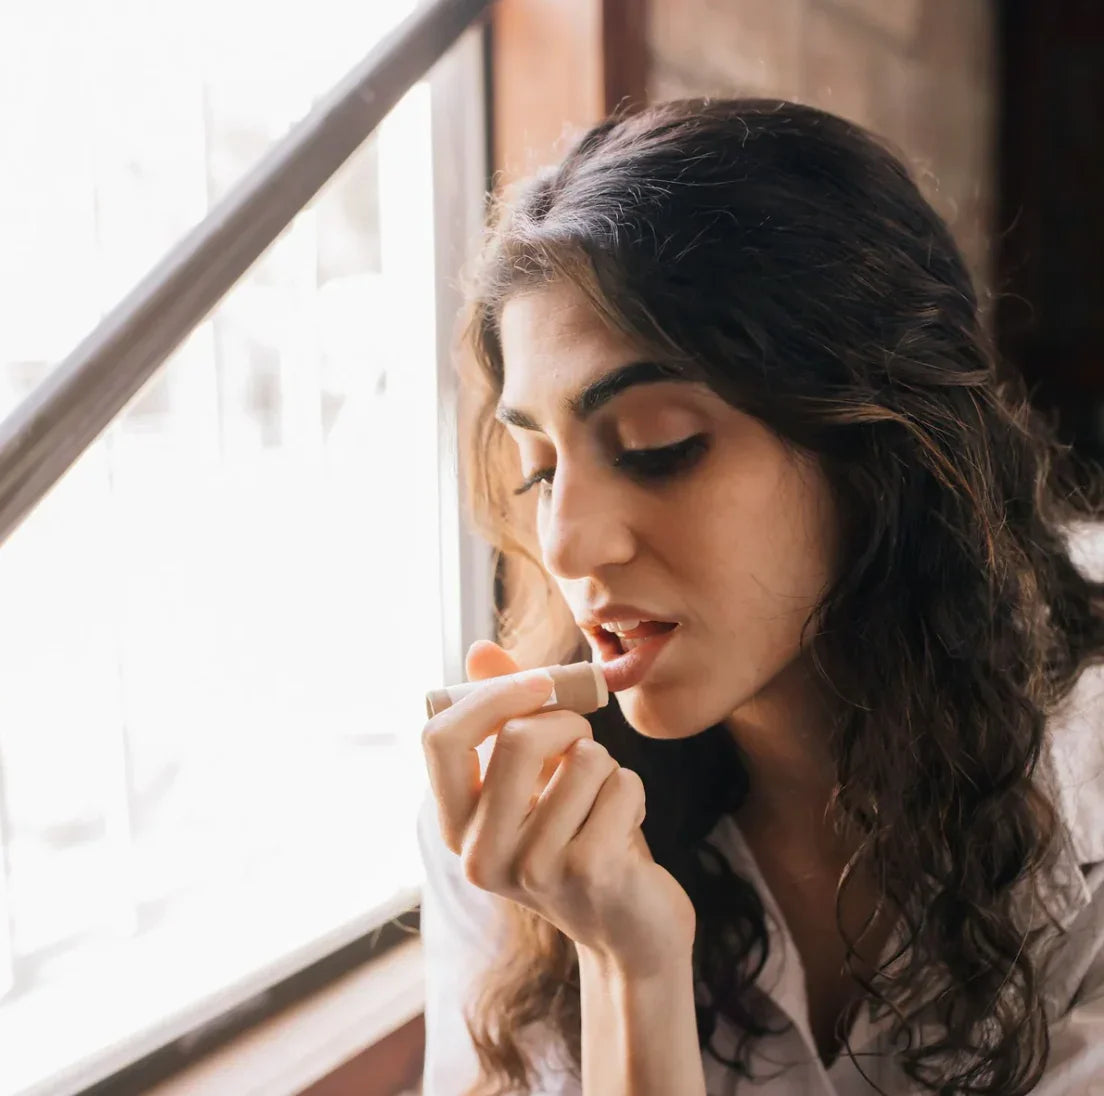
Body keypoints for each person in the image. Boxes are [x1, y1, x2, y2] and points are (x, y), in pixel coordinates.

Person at [417, 98, 1104, 1095]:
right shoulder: (524, 808)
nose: (567, 540)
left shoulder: (1083, 791)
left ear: (880, 444)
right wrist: (626, 967)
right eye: (538, 467)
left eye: (659, 447)